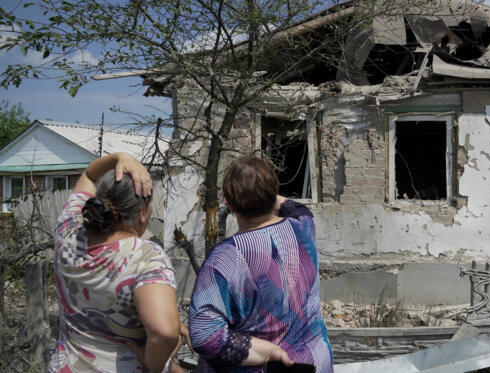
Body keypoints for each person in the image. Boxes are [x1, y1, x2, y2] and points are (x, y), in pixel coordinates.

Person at [189, 156, 333, 372]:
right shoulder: (303, 226)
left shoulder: (226, 258)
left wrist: (266, 351)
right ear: (273, 192)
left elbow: (204, 335)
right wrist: (266, 191)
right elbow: (293, 206)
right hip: (313, 363)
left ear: (228, 204)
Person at [50, 152, 185, 372]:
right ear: (142, 213)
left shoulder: (68, 230)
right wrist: (153, 364)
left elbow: (90, 175)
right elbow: (164, 332)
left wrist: (120, 158)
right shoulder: (145, 257)